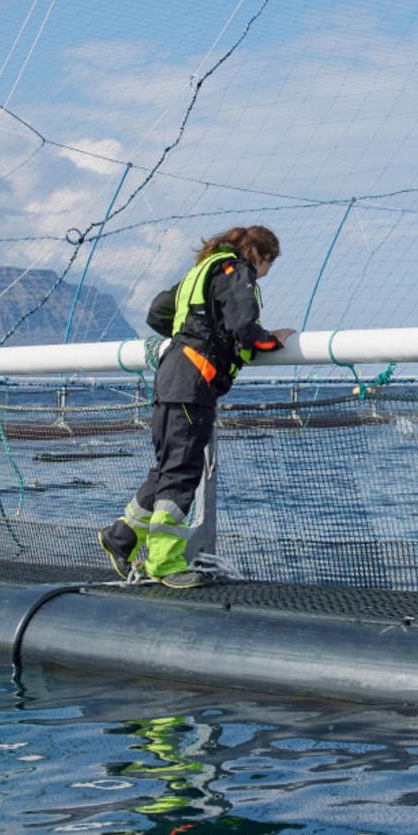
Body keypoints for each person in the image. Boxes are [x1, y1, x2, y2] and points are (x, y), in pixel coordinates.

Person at [100, 226, 294, 587]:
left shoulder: (199, 272)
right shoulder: (236, 271)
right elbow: (244, 326)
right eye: (269, 265)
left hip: (171, 375)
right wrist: (274, 340)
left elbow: (158, 313)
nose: (266, 273)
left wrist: (194, 330)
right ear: (260, 255)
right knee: (182, 474)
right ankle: (165, 563)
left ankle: (122, 536)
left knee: (167, 467)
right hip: (194, 383)